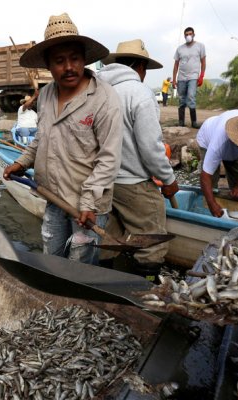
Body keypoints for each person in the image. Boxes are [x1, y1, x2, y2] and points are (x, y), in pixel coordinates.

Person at [3, 12, 122, 265]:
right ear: (48, 65)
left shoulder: (105, 98)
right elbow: (41, 140)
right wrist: (22, 163)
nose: (69, 67)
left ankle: (81, 301)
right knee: (52, 256)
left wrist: (89, 202)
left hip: (88, 204)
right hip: (54, 196)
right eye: (59, 61)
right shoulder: (45, 96)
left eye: (75, 59)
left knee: (80, 264)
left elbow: (109, 159)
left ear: (84, 60)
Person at [96, 39, 179, 281]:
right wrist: (168, 179)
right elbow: (151, 149)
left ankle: (103, 285)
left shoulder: (100, 91)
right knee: (151, 241)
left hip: (103, 182)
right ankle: (144, 295)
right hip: (133, 183)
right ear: (140, 66)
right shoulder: (140, 93)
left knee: (107, 237)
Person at [172, 27, 206, 128]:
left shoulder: (200, 46)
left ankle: (194, 122)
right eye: (186, 34)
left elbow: (203, 62)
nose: (188, 36)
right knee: (182, 99)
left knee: (191, 97)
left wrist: (201, 76)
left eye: (190, 34)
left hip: (193, 76)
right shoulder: (180, 48)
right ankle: (181, 122)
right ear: (184, 36)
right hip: (181, 77)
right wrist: (174, 79)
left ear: (194, 34)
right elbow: (176, 65)